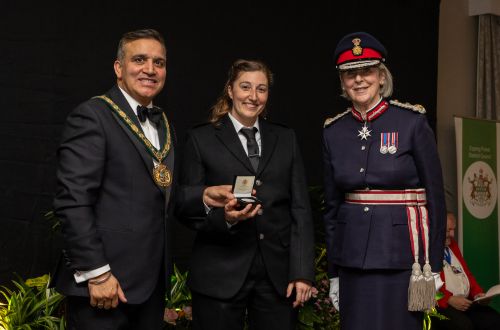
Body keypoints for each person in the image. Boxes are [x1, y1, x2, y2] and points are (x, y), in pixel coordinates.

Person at [176, 59, 315, 329]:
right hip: (219, 273)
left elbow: (300, 209)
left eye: (261, 89)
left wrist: (302, 272)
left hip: (277, 277)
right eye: (245, 87)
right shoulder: (201, 138)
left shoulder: (285, 138)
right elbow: (184, 205)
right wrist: (225, 218)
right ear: (230, 90)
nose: (253, 96)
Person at [322, 32, 447, 330]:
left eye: (366, 71)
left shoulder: (412, 123)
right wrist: (334, 272)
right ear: (342, 82)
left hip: (403, 259)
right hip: (352, 259)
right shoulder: (333, 131)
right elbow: (331, 208)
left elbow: (436, 199)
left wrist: (436, 265)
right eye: (350, 74)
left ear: (381, 76)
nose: (359, 80)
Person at [52, 29, 175, 329]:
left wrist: (206, 198)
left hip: (149, 288)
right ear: (119, 68)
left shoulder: (161, 123)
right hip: (104, 287)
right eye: (140, 59)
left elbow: (156, 195)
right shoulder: (92, 115)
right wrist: (97, 273)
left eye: (159, 62)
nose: (150, 69)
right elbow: (73, 201)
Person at [433, 212, 500, 330]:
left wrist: (478, 294)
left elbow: (466, 273)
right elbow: (424, 287)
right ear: (437, 229)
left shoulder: (452, 245)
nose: (453, 235)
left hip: (465, 302)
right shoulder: (427, 250)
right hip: (442, 305)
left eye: (453, 230)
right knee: (464, 326)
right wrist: (449, 299)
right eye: (448, 231)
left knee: (493, 319)